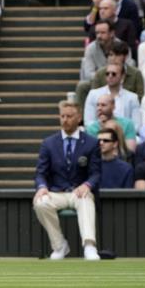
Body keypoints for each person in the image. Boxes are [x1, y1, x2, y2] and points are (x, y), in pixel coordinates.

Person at [33, 100, 102, 261]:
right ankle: (59, 245)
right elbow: (40, 173)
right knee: (40, 202)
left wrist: (87, 185)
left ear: (79, 118)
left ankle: (89, 246)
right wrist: (42, 187)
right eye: (62, 116)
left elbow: (96, 173)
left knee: (85, 199)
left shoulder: (91, 143)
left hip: (79, 192)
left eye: (69, 116)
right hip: (57, 192)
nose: (65, 120)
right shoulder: (48, 143)